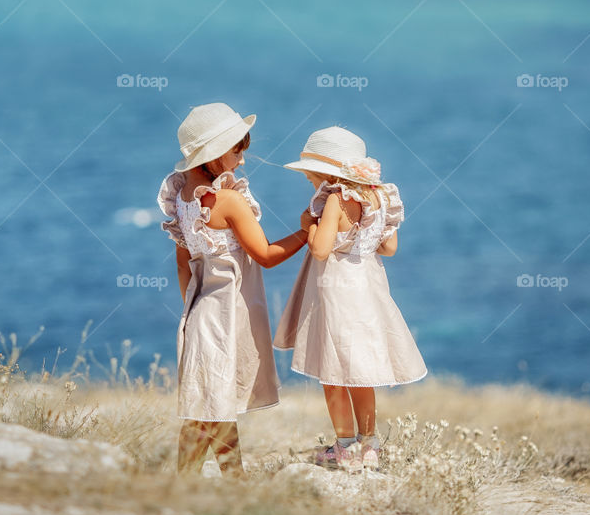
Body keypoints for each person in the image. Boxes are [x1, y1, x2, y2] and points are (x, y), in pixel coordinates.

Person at [158, 102, 308, 475]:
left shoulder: (181, 199)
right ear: (212, 155)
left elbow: (182, 264)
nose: (242, 160)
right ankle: (197, 483)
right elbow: (267, 255)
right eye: (237, 150)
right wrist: (306, 232)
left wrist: (193, 311)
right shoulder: (229, 201)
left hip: (200, 310)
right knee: (211, 410)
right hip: (226, 315)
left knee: (208, 407)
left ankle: (215, 480)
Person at [274, 126, 427, 471]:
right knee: (362, 372)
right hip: (368, 286)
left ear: (326, 173)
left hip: (336, 290)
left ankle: (344, 447)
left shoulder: (334, 200)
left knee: (333, 372)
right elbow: (389, 247)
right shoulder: (379, 197)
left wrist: (308, 225)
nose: (311, 182)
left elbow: (321, 250)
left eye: (311, 176)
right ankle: (369, 446)